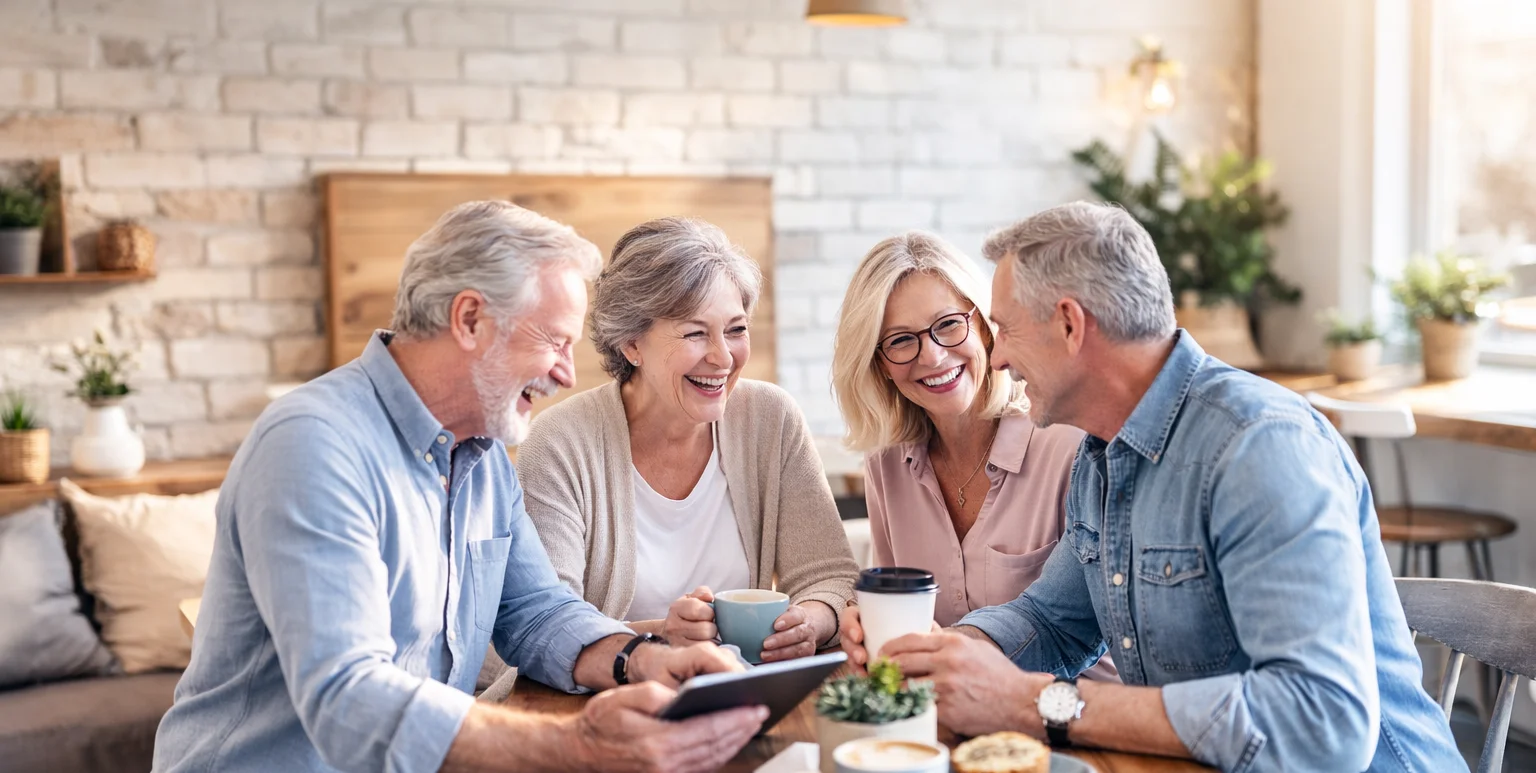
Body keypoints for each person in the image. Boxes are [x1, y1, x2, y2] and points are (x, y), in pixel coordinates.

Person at [153, 202, 767, 773]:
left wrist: (643, 657)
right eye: (553, 340)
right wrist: (577, 744)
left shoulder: (482, 451)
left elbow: (534, 612)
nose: (567, 372)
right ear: (470, 318)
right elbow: (347, 695)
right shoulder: (315, 444)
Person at [879, 202, 1465, 773]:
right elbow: (1054, 620)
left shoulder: (1260, 448)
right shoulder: (1102, 453)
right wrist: (947, 656)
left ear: (1069, 324)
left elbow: (1321, 725)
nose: (997, 356)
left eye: (1003, 328)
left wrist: (1037, 704)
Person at [520, 217, 859, 663]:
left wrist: (809, 622)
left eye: (736, 330)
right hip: (606, 703)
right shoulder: (561, 441)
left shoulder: (770, 419)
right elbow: (544, 624)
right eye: (696, 333)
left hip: (744, 695)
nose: (723, 357)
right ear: (631, 344)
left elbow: (829, 575)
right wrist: (658, 637)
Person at [828, 231, 1114, 681]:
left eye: (948, 325)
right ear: (878, 362)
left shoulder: (1071, 445)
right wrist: (865, 623)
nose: (933, 356)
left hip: (1072, 721)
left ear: (983, 326)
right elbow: (901, 618)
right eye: (901, 340)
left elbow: (1091, 639)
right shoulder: (886, 464)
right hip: (947, 715)